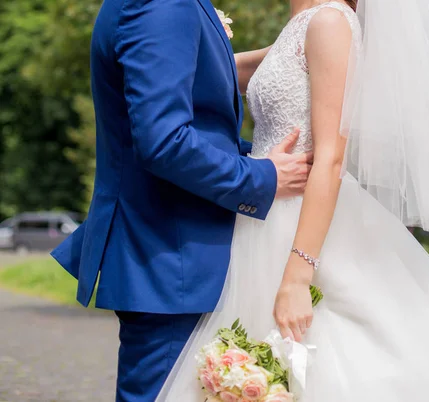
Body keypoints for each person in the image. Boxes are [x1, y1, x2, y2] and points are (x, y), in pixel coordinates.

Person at [159, 0, 429, 401]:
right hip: (265, 219)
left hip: (301, 226)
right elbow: (224, 70)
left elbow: (331, 158)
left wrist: (298, 278)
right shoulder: (303, 26)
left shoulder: (330, 23)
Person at [50, 0, 313, 400]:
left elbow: (199, 114)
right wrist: (263, 176)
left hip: (179, 256)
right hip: (171, 257)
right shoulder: (161, 3)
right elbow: (164, 142)